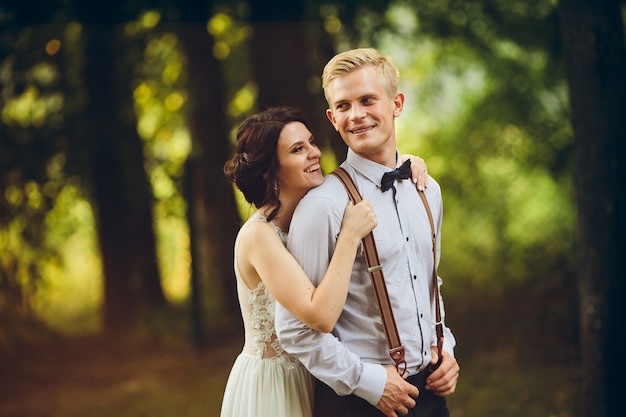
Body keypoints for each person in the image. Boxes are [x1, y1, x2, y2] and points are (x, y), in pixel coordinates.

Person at [275, 48, 460, 417]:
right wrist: (370, 384)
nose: (355, 115)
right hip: (357, 403)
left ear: (397, 103)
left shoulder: (428, 191)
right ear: (331, 117)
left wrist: (447, 347)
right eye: (343, 106)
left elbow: (427, 282)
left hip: (432, 395)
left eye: (367, 100)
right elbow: (296, 329)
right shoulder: (323, 206)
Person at [220, 106, 429, 417]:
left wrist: (402, 163)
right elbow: (321, 316)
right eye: (297, 150)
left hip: (321, 375)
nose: (314, 153)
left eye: (311, 142)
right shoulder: (259, 236)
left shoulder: (312, 216)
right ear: (268, 169)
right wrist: (349, 237)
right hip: (277, 384)